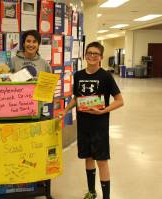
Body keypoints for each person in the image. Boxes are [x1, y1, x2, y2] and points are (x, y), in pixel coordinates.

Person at [63, 42, 124, 199]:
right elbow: (77, 98)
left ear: (101, 57)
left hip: (99, 126)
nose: (91, 56)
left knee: (102, 161)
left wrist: (103, 110)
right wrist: (65, 110)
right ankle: (91, 192)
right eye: (89, 53)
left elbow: (119, 101)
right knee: (88, 158)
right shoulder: (78, 75)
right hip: (83, 125)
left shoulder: (106, 76)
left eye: (95, 54)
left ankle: (106, 197)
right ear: (85, 55)